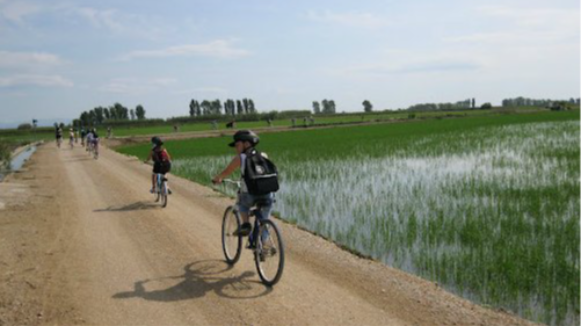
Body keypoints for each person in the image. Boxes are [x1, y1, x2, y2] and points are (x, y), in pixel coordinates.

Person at [212, 130, 274, 236]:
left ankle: (246, 225)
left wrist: (218, 178)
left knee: (242, 205)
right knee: (265, 219)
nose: (236, 148)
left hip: (250, 195)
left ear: (246, 144)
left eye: (237, 145)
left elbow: (226, 172)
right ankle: (263, 246)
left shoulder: (240, 158)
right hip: (267, 193)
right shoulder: (263, 155)